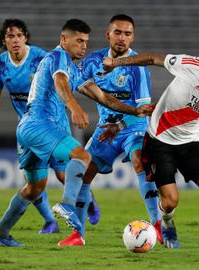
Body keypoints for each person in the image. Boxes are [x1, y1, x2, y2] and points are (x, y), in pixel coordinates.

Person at [0, 19, 153, 247]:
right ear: (64, 39)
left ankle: (0, 234)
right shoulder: (59, 57)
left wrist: (133, 110)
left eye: (86, 41)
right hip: (40, 124)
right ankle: (66, 204)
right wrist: (75, 107)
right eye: (78, 41)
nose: (83, 46)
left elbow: (103, 97)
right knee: (83, 156)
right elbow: (60, 82)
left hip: (26, 128)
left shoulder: (73, 69)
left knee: (35, 187)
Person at [102, 33, 199, 249]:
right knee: (170, 202)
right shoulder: (189, 64)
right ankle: (167, 224)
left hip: (191, 142)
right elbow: (151, 59)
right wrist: (115, 63)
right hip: (159, 141)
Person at [56, 14, 162, 246]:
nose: (122, 38)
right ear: (108, 34)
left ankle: (157, 224)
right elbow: (73, 83)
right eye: (117, 32)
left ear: (133, 37)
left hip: (133, 126)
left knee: (139, 160)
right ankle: (78, 234)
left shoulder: (138, 66)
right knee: (85, 173)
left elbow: (142, 110)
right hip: (106, 129)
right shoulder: (92, 62)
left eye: (127, 33)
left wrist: (121, 125)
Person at [0, 19, 62, 235]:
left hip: (52, 124)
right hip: (27, 127)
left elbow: (60, 86)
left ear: (26, 37)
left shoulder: (41, 58)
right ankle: (50, 222)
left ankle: (85, 210)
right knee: (32, 180)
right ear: (4, 40)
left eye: (19, 35)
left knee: (64, 174)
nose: (15, 40)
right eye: (10, 36)